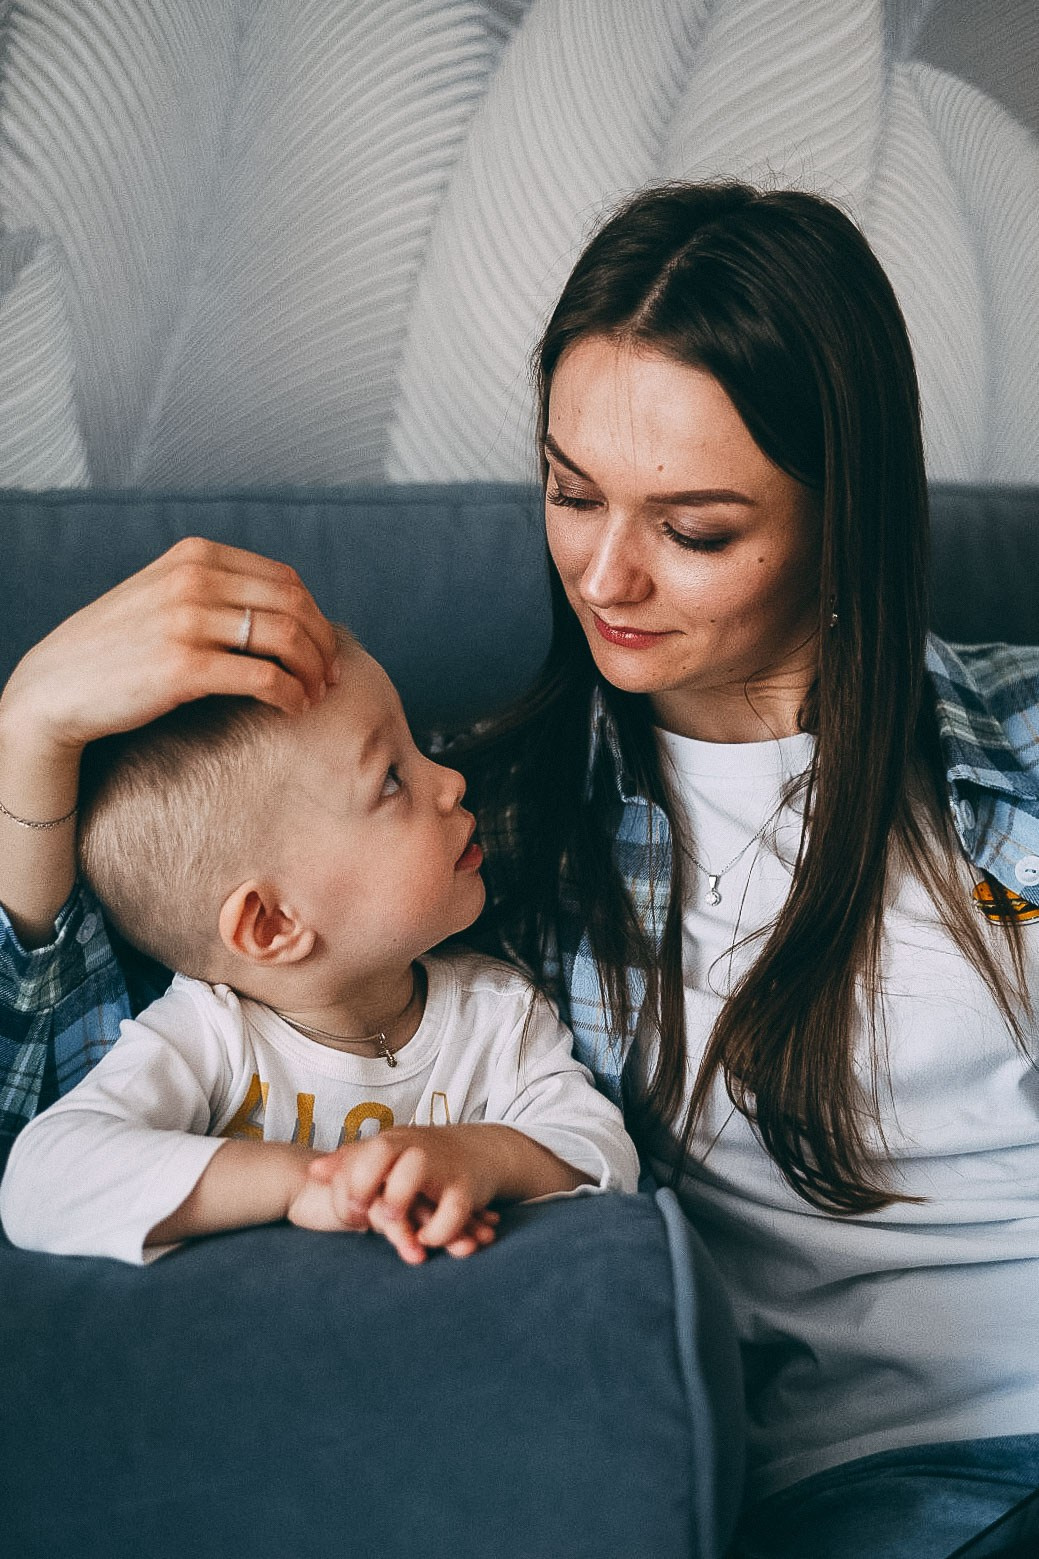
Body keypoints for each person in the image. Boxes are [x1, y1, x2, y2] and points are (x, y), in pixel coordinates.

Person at [0, 181, 1037, 1555]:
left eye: (693, 529)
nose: (601, 575)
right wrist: (30, 736)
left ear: (839, 511)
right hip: (896, 1484)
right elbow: (56, 1106)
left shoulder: (1013, 738)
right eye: (567, 491)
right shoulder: (469, 830)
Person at [0, 624, 638, 1265]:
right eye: (391, 779)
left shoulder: (500, 1013)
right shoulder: (210, 1036)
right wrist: (307, 1182)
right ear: (272, 925)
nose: (451, 782)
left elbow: (605, 1151)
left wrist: (481, 1155)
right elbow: (39, 1180)